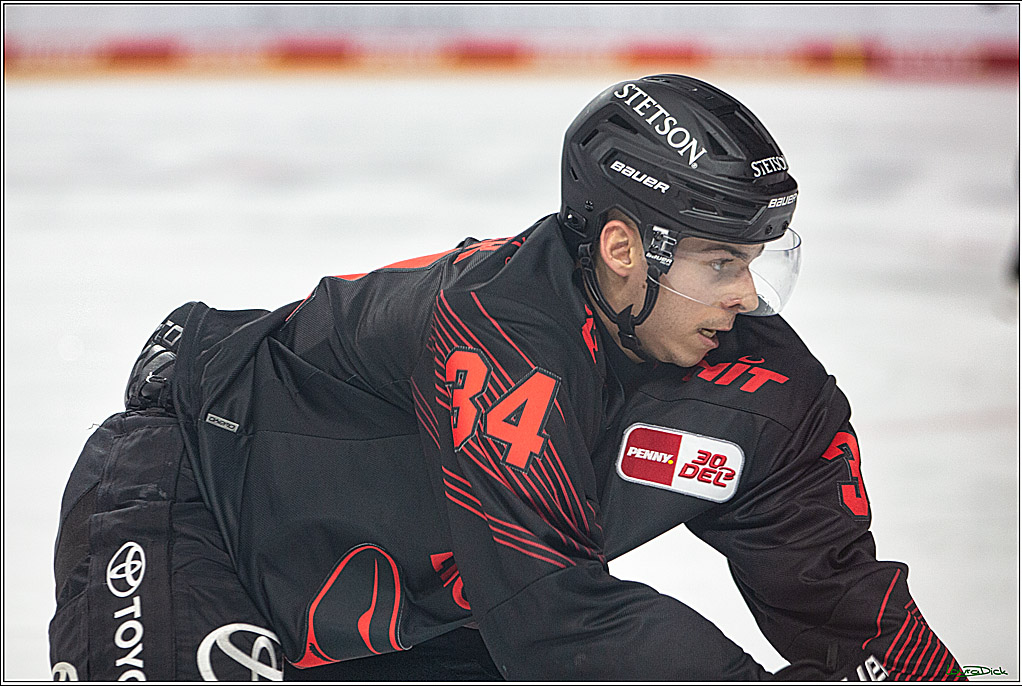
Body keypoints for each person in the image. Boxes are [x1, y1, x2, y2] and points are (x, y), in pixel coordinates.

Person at [50, 74, 966, 681]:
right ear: (620, 249)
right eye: (721, 263)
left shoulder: (773, 393)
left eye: (760, 261)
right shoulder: (498, 334)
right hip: (191, 500)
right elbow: (557, 622)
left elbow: (836, 600)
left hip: (416, 606)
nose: (747, 296)